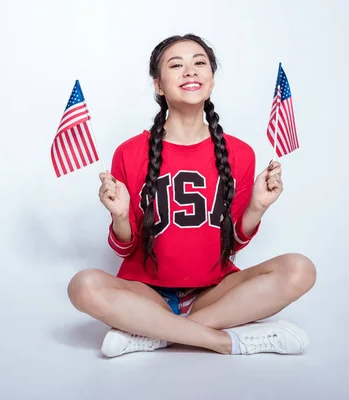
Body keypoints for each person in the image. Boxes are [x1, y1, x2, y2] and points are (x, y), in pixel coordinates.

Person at [67, 33, 316, 357]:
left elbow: (234, 242)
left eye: (200, 63)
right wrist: (118, 215)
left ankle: (152, 333)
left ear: (211, 80)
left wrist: (257, 207)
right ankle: (227, 341)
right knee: (82, 286)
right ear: (158, 84)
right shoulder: (130, 152)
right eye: (176, 64)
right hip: (146, 293)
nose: (190, 71)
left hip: (215, 292)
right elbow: (124, 245)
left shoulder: (239, 153)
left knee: (300, 269)